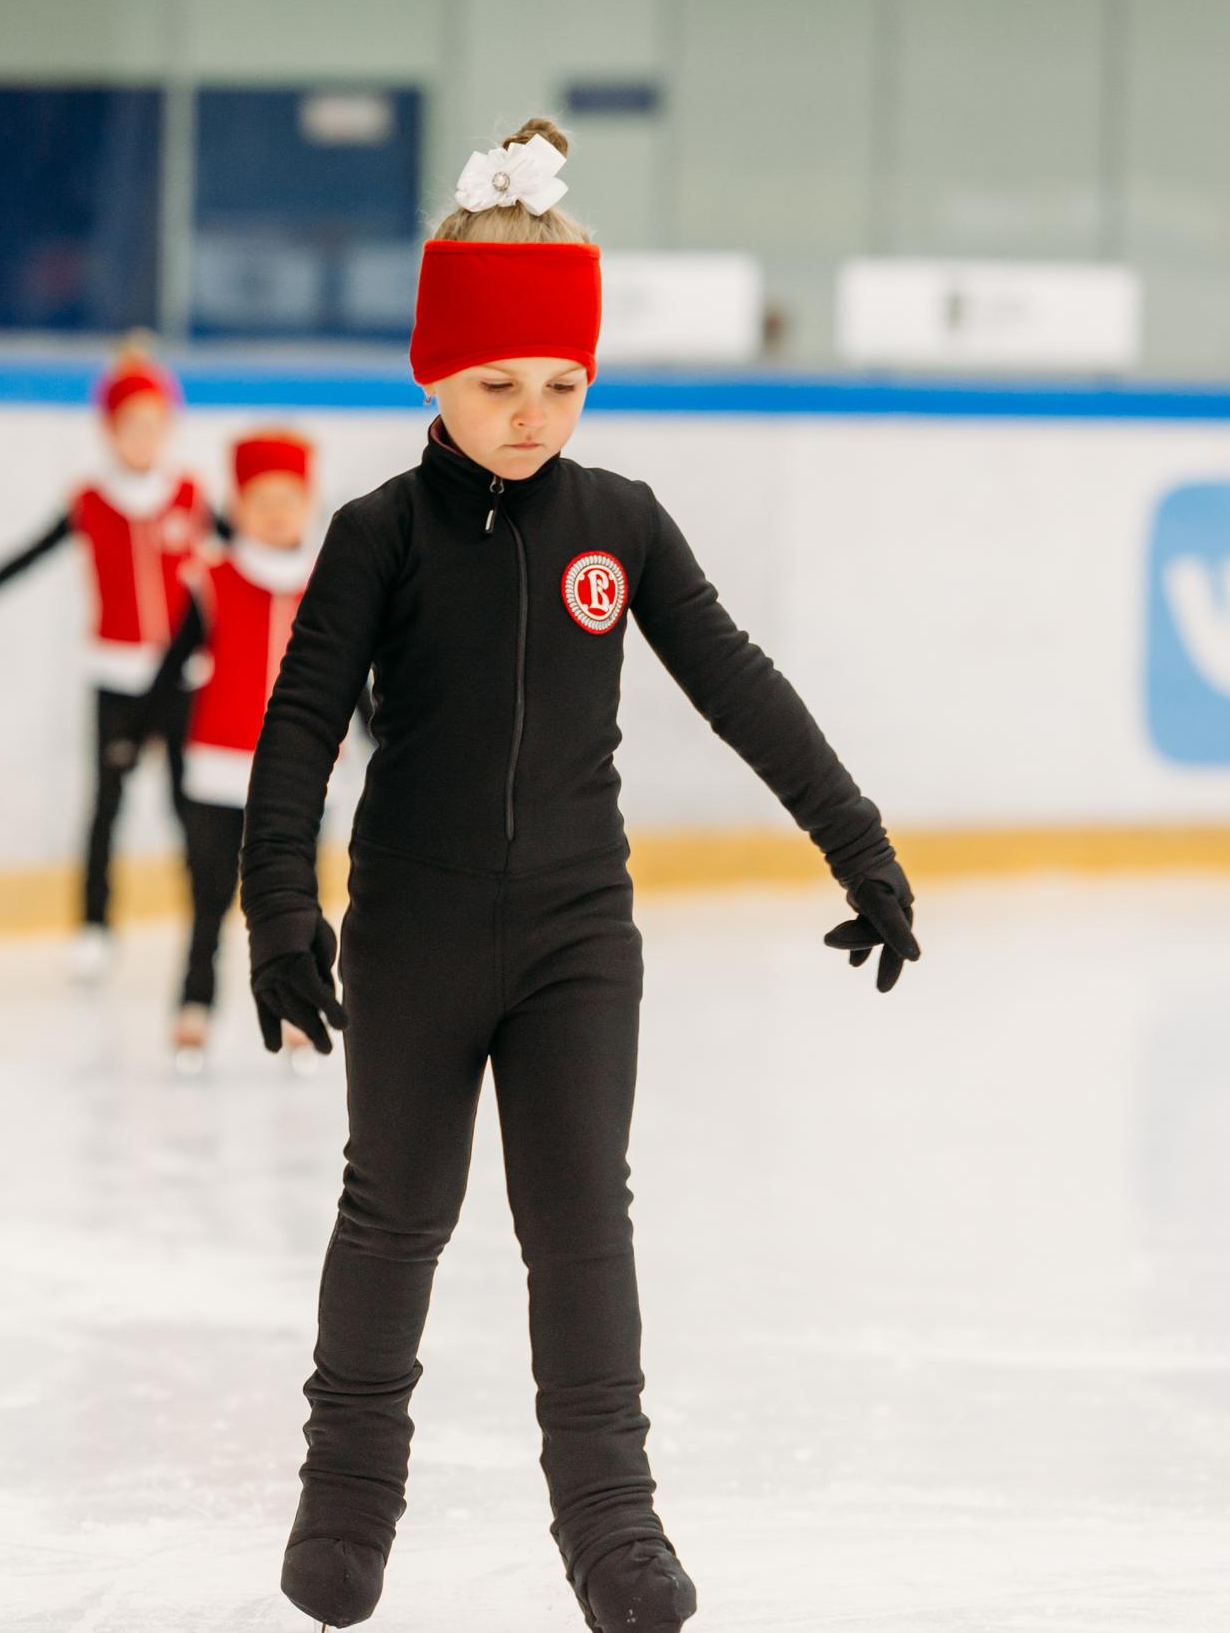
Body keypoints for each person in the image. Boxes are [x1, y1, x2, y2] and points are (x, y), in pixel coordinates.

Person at [238, 118, 921, 1633]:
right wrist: (280, 911)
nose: (532, 414)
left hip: (574, 937)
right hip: (413, 932)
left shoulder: (621, 523)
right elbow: (297, 731)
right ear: (435, 372)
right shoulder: (376, 536)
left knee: (580, 1227)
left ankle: (612, 1521)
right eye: (498, 384)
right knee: (395, 1212)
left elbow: (736, 682)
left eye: (562, 384)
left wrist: (857, 843)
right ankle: (345, 1496)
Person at [0, 341, 211, 983]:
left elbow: (241, 563)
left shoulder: (190, 497)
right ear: (110, 431)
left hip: (180, 681)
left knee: (188, 808)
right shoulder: (91, 501)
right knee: (106, 805)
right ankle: (94, 925)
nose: (144, 438)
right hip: (116, 677)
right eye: (131, 426)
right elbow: (29, 555)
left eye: (154, 425)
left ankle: (203, 921)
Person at [142, 428, 325, 1074]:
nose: (276, 513)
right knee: (209, 899)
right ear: (236, 506)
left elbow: (353, 679)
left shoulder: (328, 585)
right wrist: (139, 734)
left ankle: (300, 1015)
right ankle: (194, 1007)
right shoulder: (212, 579)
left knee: (293, 905)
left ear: (309, 504)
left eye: (289, 499)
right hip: (217, 774)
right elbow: (170, 670)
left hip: (298, 781)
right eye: (261, 500)